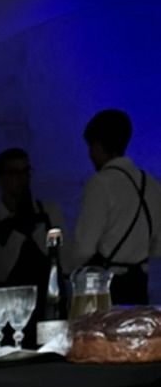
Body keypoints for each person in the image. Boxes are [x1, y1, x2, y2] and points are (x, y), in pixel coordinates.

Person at [68, 108, 161, 304]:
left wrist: (67, 270)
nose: (90, 154)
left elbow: (84, 249)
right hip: (140, 285)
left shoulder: (100, 183)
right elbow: (157, 247)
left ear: (98, 145)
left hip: (106, 288)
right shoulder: (152, 184)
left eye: (90, 147)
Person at [0, 147, 64, 289]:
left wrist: (34, 228)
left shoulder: (49, 211)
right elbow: (0, 272)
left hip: (49, 294)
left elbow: (62, 259)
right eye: (14, 173)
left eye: (25, 172)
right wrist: (19, 232)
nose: (22, 178)